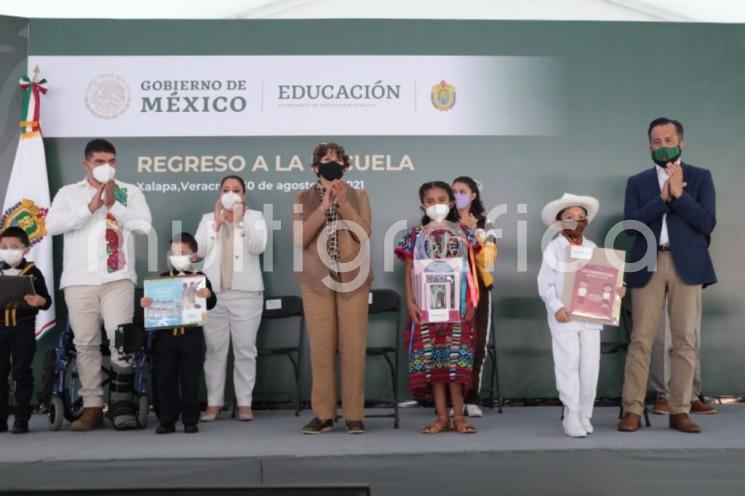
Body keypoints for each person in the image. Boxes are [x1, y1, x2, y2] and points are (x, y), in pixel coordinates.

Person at [618, 117, 716, 434]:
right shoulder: (638, 182)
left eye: (669, 140)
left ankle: (680, 410)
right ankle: (632, 409)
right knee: (641, 340)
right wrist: (661, 199)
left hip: (686, 264)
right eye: (657, 142)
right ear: (649, 145)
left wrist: (680, 194)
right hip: (648, 262)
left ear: (681, 142)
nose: (663, 146)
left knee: (685, 340)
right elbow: (630, 224)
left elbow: (706, 223)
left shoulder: (700, 177)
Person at [46, 138, 152, 431]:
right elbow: (51, 226)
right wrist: (90, 207)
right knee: (85, 343)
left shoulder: (129, 191)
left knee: (122, 341)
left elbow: (144, 225)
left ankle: (121, 404)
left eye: (111, 161)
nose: (106, 167)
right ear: (86, 164)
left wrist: (113, 205)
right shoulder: (69, 193)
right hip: (79, 281)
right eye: (99, 161)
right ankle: (92, 407)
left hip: (117, 278)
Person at [292, 142, 372, 435]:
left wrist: (344, 202)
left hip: (353, 279)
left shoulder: (359, 195)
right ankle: (324, 415)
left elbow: (363, 232)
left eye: (337, 161)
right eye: (326, 161)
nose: (331, 165)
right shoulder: (302, 198)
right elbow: (299, 239)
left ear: (345, 167)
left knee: (353, 349)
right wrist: (323, 207)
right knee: (321, 349)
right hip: (316, 280)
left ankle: (353, 415)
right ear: (316, 167)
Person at [537, 193, 625, 437]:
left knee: (590, 366)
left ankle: (585, 413)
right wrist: (556, 307)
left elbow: (604, 279)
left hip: (591, 318)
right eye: (569, 217)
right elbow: (545, 284)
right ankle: (571, 413)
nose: (576, 221)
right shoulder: (554, 248)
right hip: (565, 317)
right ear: (559, 222)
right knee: (568, 364)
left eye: (580, 217)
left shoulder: (592, 248)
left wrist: (616, 290)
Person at [396, 181, 480, 434]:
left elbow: (472, 272)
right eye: (430, 201)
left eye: (442, 199)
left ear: (452, 202)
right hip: (426, 309)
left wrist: (473, 302)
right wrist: (411, 301)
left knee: (456, 363)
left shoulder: (464, 233)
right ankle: (442, 417)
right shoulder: (413, 237)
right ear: (422, 205)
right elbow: (410, 271)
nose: (436, 205)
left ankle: (459, 417)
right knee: (434, 364)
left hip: (458, 307)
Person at [196, 175, 267, 422]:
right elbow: (199, 252)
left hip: (246, 295)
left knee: (245, 350)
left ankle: (245, 403)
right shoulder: (207, 219)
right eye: (226, 189)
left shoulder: (254, 217)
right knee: (215, 351)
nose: (230, 193)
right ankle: (214, 403)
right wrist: (216, 225)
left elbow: (258, 246)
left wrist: (239, 223)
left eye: (236, 190)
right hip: (212, 295)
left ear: (244, 195)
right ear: (219, 192)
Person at [141, 233, 216, 434]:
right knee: (165, 378)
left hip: (191, 336)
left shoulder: (200, 278)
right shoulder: (163, 280)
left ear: (193, 255)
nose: (178, 256)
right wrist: (146, 304)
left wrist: (208, 294)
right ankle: (166, 420)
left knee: (190, 378)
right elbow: (152, 306)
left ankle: (191, 419)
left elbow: (211, 301)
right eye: (174, 253)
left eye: (183, 252)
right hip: (166, 338)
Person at [452, 176, 498, 417]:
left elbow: (489, 260)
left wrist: (472, 236)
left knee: (477, 344)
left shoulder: (485, 223)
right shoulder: (442, 222)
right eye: (454, 191)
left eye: (462, 190)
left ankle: (472, 398)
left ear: (473, 195)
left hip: (479, 287)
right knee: (453, 345)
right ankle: (453, 400)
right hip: (449, 290)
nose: (457, 194)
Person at [0, 227, 52, 434]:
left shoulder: (33, 272)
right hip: (0, 328)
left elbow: (46, 301)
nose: (8, 250)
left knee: (22, 371)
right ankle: (1, 418)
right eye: (3, 247)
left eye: (14, 247)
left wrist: (39, 301)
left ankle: (22, 417)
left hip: (24, 327)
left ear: (26, 249)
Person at [649, 296, 716, 414]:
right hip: (659, 281)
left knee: (691, 338)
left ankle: (690, 396)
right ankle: (664, 396)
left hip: (692, 279)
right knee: (663, 338)